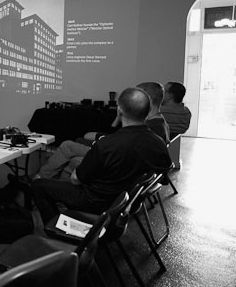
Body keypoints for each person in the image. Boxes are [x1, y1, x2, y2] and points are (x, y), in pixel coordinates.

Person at [32, 87, 171, 224]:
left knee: (38, 186)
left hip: (97, 203)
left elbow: (76, 180)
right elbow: (162, 178)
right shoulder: (159, 143)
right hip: (126, 205)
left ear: (119, 110)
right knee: (71, 166)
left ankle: (56, 228)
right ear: (147, 112)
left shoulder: (107, 145)